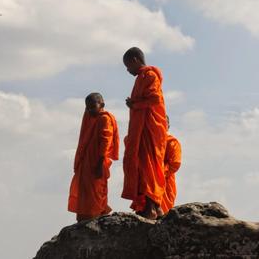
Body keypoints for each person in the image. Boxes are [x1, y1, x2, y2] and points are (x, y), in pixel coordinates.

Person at [121, 47, 167, 220]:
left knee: (147, 167)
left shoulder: (149, 75)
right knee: (144, 167)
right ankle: (153, 206)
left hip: (149, 129)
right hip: (143, 130)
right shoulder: (141, 77)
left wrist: (135, 105)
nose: (128, 70)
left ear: (135, 60)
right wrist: (134, 103)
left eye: (128, 66)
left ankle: (151, 208)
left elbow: (155, 99)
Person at [68, 92, 120, 222]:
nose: (89, 110)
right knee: (86, 193)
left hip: (97, 163)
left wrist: (99, 164)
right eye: (87, 108)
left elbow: (105, 142)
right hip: (87, 163)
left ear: (102, 104)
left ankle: (95, 217)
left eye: (92, 107)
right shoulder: (91, 120)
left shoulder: (104, 119)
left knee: (96, 193)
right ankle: (86, 218)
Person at [160, 116, 182, 214]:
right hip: (149, 180)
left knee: (165, 211)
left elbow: (175, 163)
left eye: (164, 122)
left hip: (166, 181)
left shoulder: (172, 142)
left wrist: (159, 173)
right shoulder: (149, 141)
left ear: (168, 126)